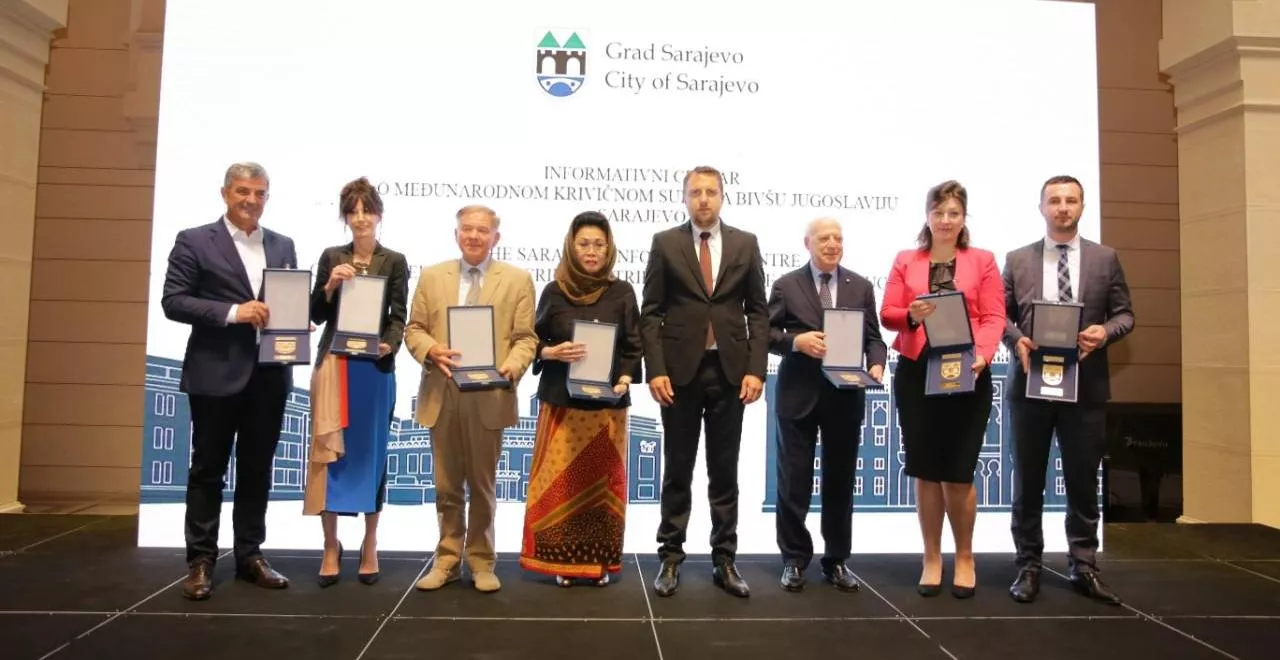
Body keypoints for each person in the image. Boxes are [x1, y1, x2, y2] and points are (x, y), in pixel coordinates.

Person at [160, 161, 297, 600]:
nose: (251, 200)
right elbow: (173, 301)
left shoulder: (282, 244)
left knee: (258, 470)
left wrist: (295, 325)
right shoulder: (194, 240)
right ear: (225, 193)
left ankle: (250, 555)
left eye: (259, 193)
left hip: (269, 376)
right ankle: (200, 561)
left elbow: (285, 301)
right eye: (243, 191)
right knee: (208, 471)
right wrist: (235, 312)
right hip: (215, 375)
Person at [1003, 175, 1134, 606]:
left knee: (1082, 479)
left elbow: (1125, 315)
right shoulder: (1017, 259)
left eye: (1071, 200)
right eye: (1055, 200)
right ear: (1041, 207)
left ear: (1082, 206)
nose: (1063, 207)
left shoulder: (1105, 258)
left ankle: (1084, 564)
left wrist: (1105, 332)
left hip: (1086, 386)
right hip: (1030, 386)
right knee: (1028, 481)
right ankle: (1028, 565)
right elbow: (998, 316)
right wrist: (1017, 339)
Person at [641, 165, 769, 598]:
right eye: (695, 192)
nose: (703, 199)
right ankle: (670, 557)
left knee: (724, 471)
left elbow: (758, 312)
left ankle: (724, 559)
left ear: (722, 197)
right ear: (684, 198)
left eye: (711, 192)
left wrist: (756, 369)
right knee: (677, 469)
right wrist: (656, 369)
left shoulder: (745, 243)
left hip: (730, 371)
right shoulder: (665, 243)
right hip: (678, 374)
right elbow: (651, 312)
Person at [880, 180, 1005, 599]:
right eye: (938, 213)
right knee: (926, 468)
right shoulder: (906, 259)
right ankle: (931, 557)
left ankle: (965, 556)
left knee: (958, 469)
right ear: (927, 216)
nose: (946, 220)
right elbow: (888, 314)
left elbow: (994, 316)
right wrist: (911, 315)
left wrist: (983, 355)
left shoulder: (983, 260)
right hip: (917, 373)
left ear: (964, 218)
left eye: (953, 213)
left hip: (968, 372)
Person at [405, 204, 537, 593]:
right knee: (446, 486)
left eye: (482, 230)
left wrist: (512, 367)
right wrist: (431, 349)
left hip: (489, 396)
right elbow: (413, 329)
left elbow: (525, 338)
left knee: (482, 487)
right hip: (442, 392)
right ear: (456, 234)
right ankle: (447, 559)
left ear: (496, 237)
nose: (474, 236)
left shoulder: (517, 280)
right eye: (467, 229)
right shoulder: (432, 276)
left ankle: (481, 560)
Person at [519, 211, 643, 587]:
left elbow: (633, 344)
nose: (591, 251)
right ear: (571, 247)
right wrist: (550, 352)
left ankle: (598, 562)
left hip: (607, 408)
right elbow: (531, 340)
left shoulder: (622, 292)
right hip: (562, 405)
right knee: (561, 486)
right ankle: (561, 562)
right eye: (584, 244)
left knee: (602, 488)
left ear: (609, 249)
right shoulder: (554, 292)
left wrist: (625, 377)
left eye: (598, 244)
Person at [767, 217, 887, 593]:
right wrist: (796, 342)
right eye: (824, 238)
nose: (832, 244)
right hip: (798, 395)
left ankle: (836, 560)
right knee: (793, 481)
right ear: (808, 243)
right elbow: (766, 334)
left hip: (845, 397)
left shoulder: (861, 286)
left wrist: (877, 363)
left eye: (838, 237)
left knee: (841, 482)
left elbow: (874, 338)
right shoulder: (786, 285)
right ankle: (794, 559)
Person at [303, 177, 409, 587]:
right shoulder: (332, 256)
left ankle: (370, 543)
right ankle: (330, 546)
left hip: (374, 371)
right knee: (329, 455)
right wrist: (330, 285)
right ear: (345, 216)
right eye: (353, 211)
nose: (361, 218)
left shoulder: (394, 260)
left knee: (371, 456)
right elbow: (315, 313)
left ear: (379, 214)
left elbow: (398, 316)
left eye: (367, 210)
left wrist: (389, 345)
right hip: (335, 365)